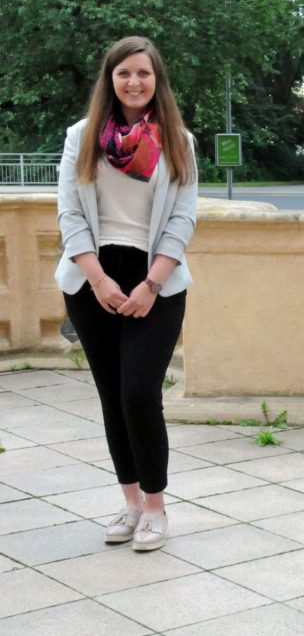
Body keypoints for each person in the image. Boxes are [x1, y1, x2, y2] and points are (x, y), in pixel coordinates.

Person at [56, 36, 198, 552]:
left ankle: (157, 506)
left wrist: (151, 284)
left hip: (154, 277)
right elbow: (70, 213)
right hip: (94, 276)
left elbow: (182, 220)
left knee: (140, 393)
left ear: (156, 80)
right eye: (123, 73)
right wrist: (98, 279)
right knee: (113, 397)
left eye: (143, 73)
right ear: (110, 80)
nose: (133, 82)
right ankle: (131, 502)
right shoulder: (82, 137)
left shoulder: (177, 140)